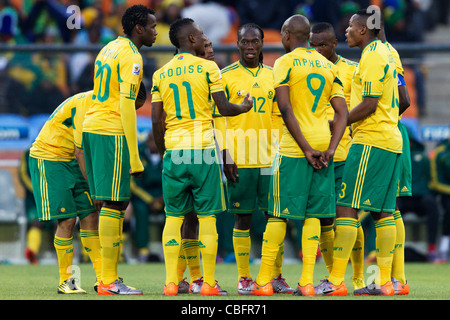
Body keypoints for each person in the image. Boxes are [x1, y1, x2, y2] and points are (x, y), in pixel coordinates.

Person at [151, 17, 253, 296]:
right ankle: (208, 284)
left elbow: (156, 121)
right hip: (203, 151)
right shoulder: (209, 67)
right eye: (200, 35)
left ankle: (172, 283)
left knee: (173, 218)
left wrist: (165, 154)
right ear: (192, 40)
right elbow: (222, 106)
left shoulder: (161, 74)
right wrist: (243, 107)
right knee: (207, 219)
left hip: (174, 151)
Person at [248, 14, 348, 296]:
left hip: (296, 147)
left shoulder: (285, 62)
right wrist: (330, 148)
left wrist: (305, 148)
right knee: (315, 216)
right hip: (323, 144)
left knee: (279, 214)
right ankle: (307, 282)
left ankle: (264, 281)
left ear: (287, 34)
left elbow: (285, 107)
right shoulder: (328, 66)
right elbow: (342, 113)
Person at [316, 9, 403, 296]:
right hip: (391, 140)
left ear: (364, 30)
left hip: (371, 140)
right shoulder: (388, 51)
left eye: (351, 27)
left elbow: (369, 104)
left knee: (345, 207)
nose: (347, 32)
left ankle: (337, 281)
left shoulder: (372, 56)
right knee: (384, 213)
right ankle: (386, 283)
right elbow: (402, 99)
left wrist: (339, 123)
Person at [82, 5, 157, 295]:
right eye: (151, 27)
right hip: (110, 130)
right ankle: (109, 281)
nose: (155, 31)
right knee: (115, 204)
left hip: (92, 125)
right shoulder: (132, 56)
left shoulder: (109, 47)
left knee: (108, 204)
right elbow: (126, 104)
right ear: (139, 28)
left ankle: (107, 278)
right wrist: (135, 156)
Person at [214, 22, 292, 295]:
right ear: (237, 44)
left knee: (276, 217)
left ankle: (275, 275)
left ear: (262, 43)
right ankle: (245, 277)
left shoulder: (275, 75)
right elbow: (218, 119)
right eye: (244, 42)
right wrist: (225, 154)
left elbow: (281, 116)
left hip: (271, 157)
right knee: (242, 219)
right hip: (241, 158)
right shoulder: (224, 76)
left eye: (254, 42)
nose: (249, 46)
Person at [309, 22, 364, 291]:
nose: (317, 50)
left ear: (333, 44)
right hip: (316, 155)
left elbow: (365, 109)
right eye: (313, 45)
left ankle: (358, 277)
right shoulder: (306, 70)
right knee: (324, 220)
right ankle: (335, 278)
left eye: (322, 45)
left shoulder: (353, 71)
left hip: (345, 153)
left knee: (348, 215)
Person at [28, 91, 100, 294]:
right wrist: (95, 189)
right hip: (50, 158)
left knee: (90, 214)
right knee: (67, 220)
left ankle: (103, 278)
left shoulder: (104, 103)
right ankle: (66, 280)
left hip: (70, 159)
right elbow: (81, 151)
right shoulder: (86, 103)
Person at [129, 131, 164, 263]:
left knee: (175, 210)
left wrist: (162, 199)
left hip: (164, 195)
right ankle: (143, 250)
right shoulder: (139, 153)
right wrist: (151, 200)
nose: (154, 144)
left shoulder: (167, 153)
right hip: (144, 196)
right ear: (148, 141)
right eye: (152, 141)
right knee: (140, 209)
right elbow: (134, 184)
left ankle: (173, 249)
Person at [429, 137, 450, 264]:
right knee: (449, 209)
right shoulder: (440, 152)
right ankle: (443, 248)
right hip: (445, 193)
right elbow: (435, 181)